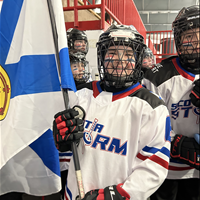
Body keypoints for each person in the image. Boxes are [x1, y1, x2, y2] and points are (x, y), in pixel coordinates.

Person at [53, 24, 171, 200]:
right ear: (102, 57)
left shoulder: (152, 107)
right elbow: (66, 150)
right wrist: (61, 141)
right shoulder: (80, 95)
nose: (120, 60)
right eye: (112, 53)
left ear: (138, 60)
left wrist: (121, 195)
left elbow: (154, 165)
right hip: (75, 193)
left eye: (129, 55)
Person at [142, 5, 200, 200]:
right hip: (165, 168)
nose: (196, 41)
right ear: (179, 40)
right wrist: (175, 143)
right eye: (189, 36)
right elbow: (147, 122)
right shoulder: (157, 76)